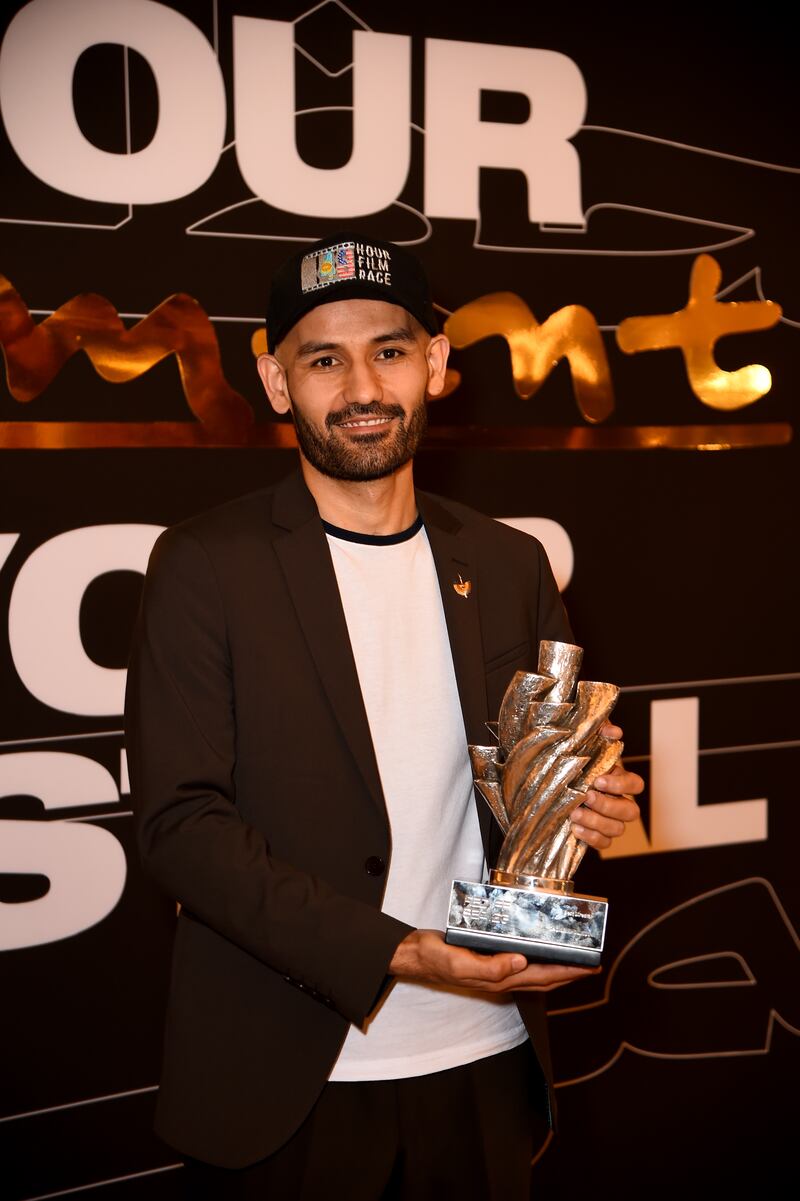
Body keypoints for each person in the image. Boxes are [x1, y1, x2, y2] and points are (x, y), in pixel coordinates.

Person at [124, 231, 643, 1200]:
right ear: (278, 382)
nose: (361, 386)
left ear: (436, 366)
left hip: (484, 1064)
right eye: (324, 358)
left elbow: (537, 784)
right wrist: (400, 951)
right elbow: (180, 829)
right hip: (292, 1083)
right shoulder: (205, 567)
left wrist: (584, 798)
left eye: (389, 351)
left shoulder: (505, 563)